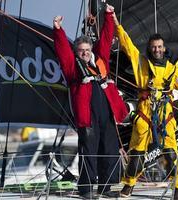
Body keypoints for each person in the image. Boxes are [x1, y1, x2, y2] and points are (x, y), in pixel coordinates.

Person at [113, 13, 178, 199]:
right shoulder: (141, 62)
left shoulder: (174, 69)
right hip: (144, 113)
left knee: (171, 153)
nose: (157, 50)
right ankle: (128, 185)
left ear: (164, 48)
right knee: (137, 154)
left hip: (165, 115)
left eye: (159, 47)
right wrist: (116, 23)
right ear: (150, 49)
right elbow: (126, 44)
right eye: (154, 47)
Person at [53, 4, 128, 198]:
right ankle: (86, 188)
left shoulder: (100, 60)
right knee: (89, 151)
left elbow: (106, 39)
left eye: (87, 49)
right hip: (88, 116)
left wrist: (109, 15)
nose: (85, 52)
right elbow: (63, 52)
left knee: (110, 150)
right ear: (76, 52)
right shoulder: (73, 68)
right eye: (81, 50)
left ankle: (107, 186)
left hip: (107, 112)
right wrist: (58, 30)